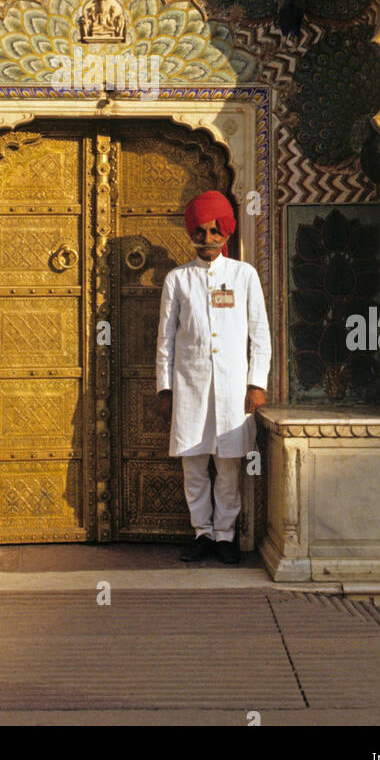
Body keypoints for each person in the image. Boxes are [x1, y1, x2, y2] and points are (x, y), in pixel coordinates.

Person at [155, 189, 271, 564]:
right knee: (193, 464)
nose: (207, 240)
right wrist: (165, 388)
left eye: (213, 231)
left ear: (226, 232)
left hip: (234, 390)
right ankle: (201, 533)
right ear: (191, 234)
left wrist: (257, 384)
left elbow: (260, 333)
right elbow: (166, 338)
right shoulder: (178, 279)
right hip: (189, 388)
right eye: (200, 232)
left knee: (228, 464)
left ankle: (224, 535)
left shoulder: (243, 274)